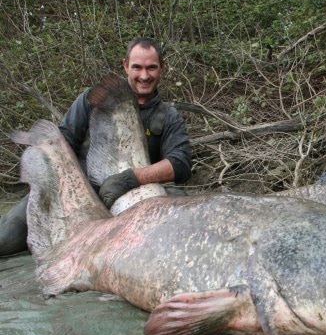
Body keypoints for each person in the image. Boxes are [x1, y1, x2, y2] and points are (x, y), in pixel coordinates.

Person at [0, 37, 192, 256]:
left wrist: (131, 178)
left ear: (162, 68)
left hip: (130, 196)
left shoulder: (168, 116)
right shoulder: (94, 98)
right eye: (137, 67)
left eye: (152, 68)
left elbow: (181, 164)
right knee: (5, 238)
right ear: (125, 65)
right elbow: (64, 142)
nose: (144, 76)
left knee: (181, 213)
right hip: (75, 193)